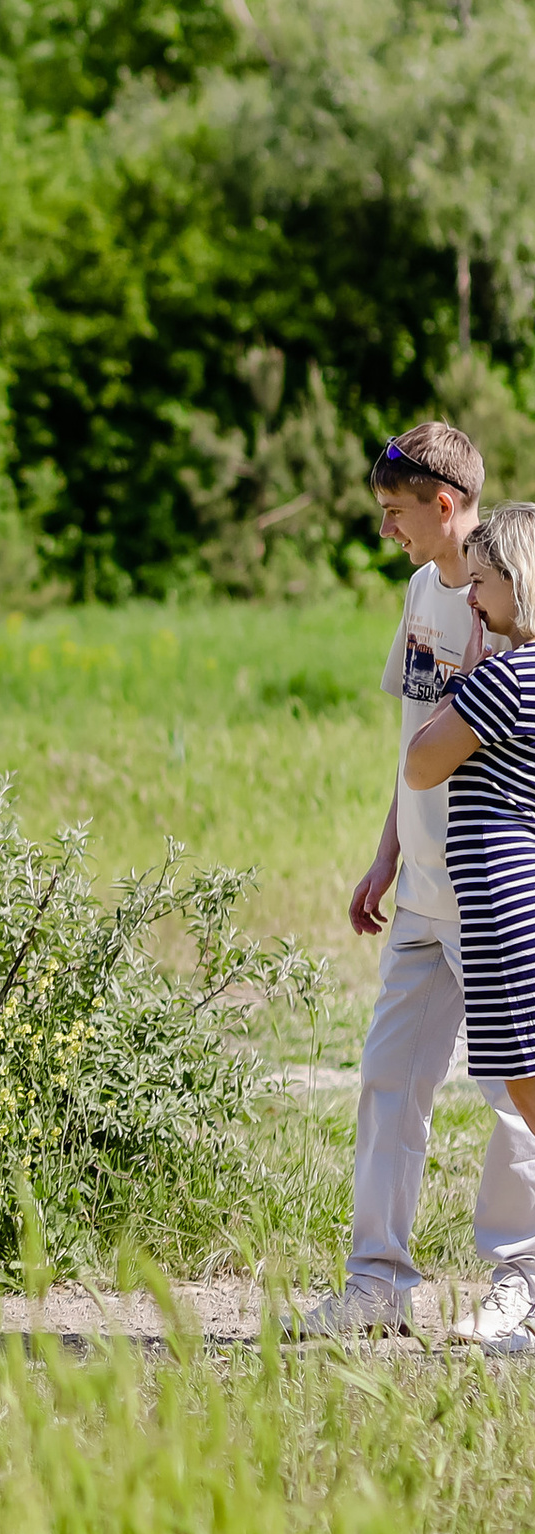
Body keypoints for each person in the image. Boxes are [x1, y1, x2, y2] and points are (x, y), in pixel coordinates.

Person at [299, 424, 535, 1341]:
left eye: (397, 514)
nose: (389, 531)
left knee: (509, 1089)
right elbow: (415, 744)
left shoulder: (508, 609)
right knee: (389, 1079)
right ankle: (377, 1282)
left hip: (493, 892)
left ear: (446, 505)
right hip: (422, 890)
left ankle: (518, 1276)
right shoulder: (417, 594)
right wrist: (387, 854)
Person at [398, 499, 535, 1349]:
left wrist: (460, 682)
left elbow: (420, 761)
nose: (473, 605)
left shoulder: (506, 678)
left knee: (524, 1088)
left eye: (481, 586)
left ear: (516, 585)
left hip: (500, 910)